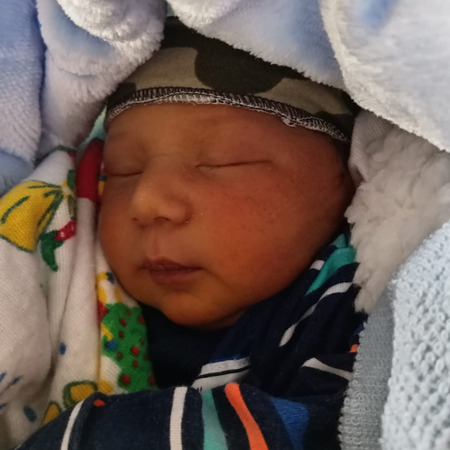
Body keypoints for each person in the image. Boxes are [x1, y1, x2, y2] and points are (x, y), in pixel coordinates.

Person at [9, 18, 365, 449]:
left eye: (222, 162)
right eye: (123, 171)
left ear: (348, 181)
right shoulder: (76, 276)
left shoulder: (347, 305)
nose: (146, 201)